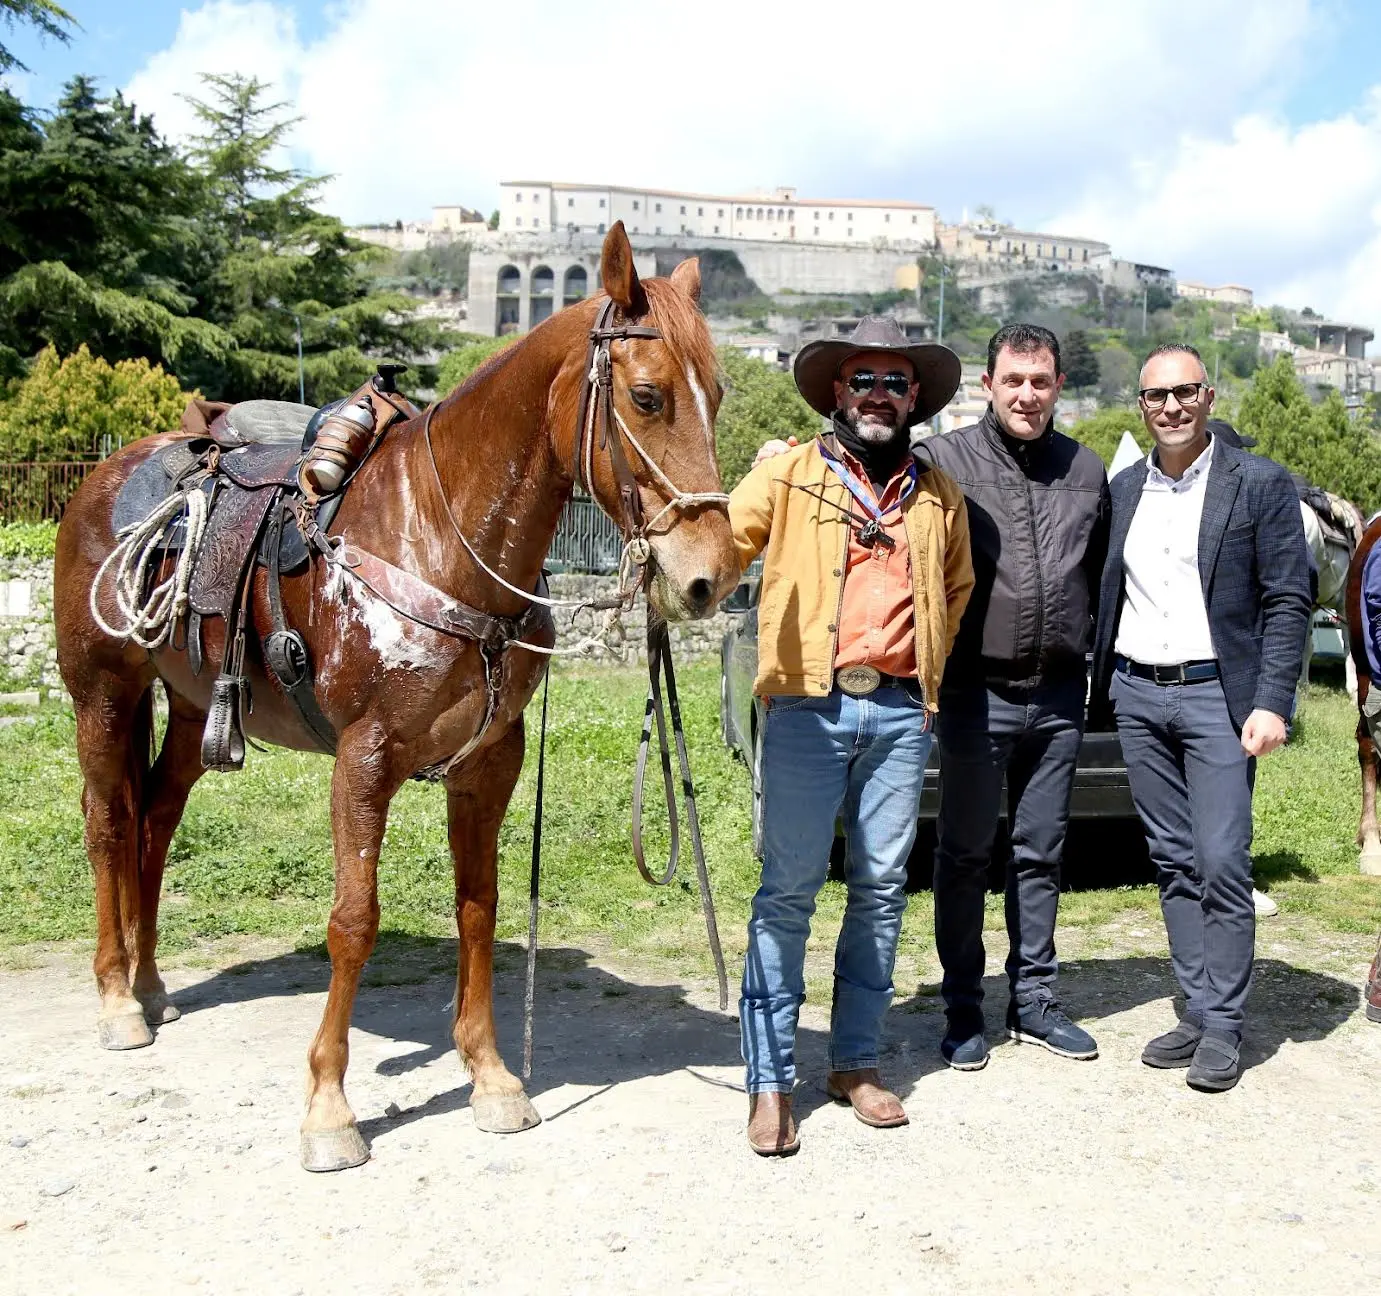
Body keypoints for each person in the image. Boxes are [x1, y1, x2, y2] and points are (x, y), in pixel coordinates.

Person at [729, 315, 973, 1156]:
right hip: (807, 707)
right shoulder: (786, 474)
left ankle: (855, 1063)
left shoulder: (937, 494)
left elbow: (956, 587)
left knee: (878, 890)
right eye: (862, 379)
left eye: (893, 382)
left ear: (914, 399)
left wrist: (923, 663)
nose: (877, 394)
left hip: (900, 712)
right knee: (787, 892)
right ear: (837, 390)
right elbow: (719, 547)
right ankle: (769, 1081)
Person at [1090, 343, 1311, 1092]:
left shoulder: (1258, 482)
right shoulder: (1124, 488)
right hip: (1137, 694)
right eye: (1157, 396)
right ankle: (1195, 1007)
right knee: (1172, 858)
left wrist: (1271, 701)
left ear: (1208, 397)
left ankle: (1224, 1025)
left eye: (1185, 392)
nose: (1172, 407)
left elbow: (1288, 598)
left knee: (1221, 860)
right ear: (1141, 405)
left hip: (1218, 697)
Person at [919, 324, 1110, 1071]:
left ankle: (1034, 1001)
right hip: (976, 693)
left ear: (1058, 386)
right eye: (1013, 380)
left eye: (1040, 381)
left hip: (1058, 695)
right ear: (988, 386)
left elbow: (1098, 573)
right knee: (964, 855)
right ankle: (963, 1006)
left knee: (1041, 854)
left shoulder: (1086, 469)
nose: (1027, 394)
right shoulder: (943, 462)